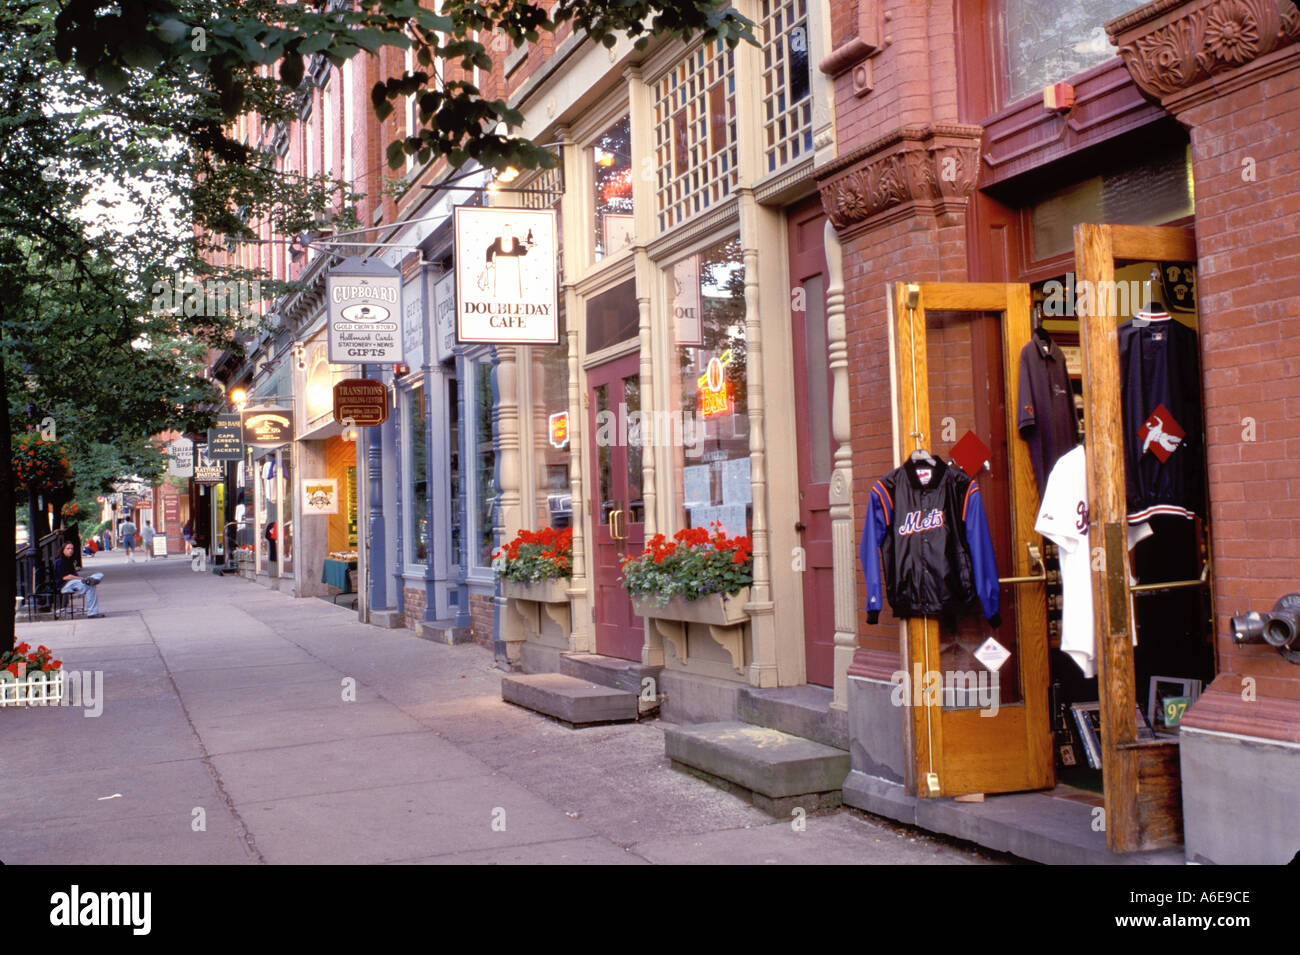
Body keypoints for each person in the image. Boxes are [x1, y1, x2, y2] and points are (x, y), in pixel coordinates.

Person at [53, 540, 104, 618]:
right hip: (65, 585)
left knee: (98, 576)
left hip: (75, 583)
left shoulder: (70, 561)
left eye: (72, 549)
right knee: (87, 584)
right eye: (68, 548)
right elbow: (66, 577)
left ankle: (92, 613)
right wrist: (81, 579)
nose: (70, 550)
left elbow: (73, 575)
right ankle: (88, 581)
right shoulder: (60, 562)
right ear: (63, 550)